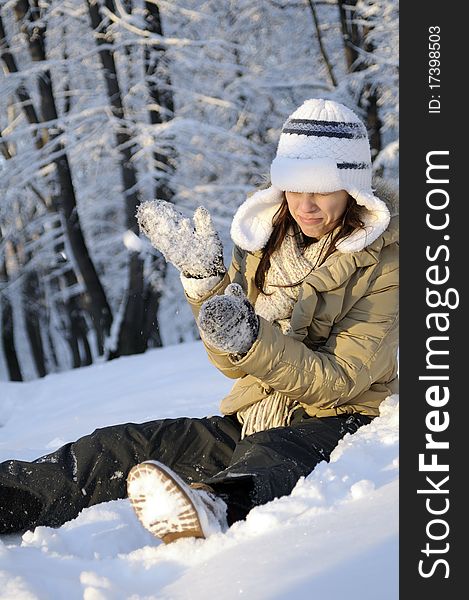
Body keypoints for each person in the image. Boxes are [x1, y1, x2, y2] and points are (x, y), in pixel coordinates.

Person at [0, 99, 398, 544]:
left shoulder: (387, 263)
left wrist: (250, 339)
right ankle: (12, 495)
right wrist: (206, 286)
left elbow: (340, 381)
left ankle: (214, 505)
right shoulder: (264, 242)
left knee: (266, 456)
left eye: (322, 189)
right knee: (119, 447)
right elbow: (234, 363)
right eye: (293, 187)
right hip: (256, 415)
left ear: (353, 189)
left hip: (339, 421)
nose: (305, 205)